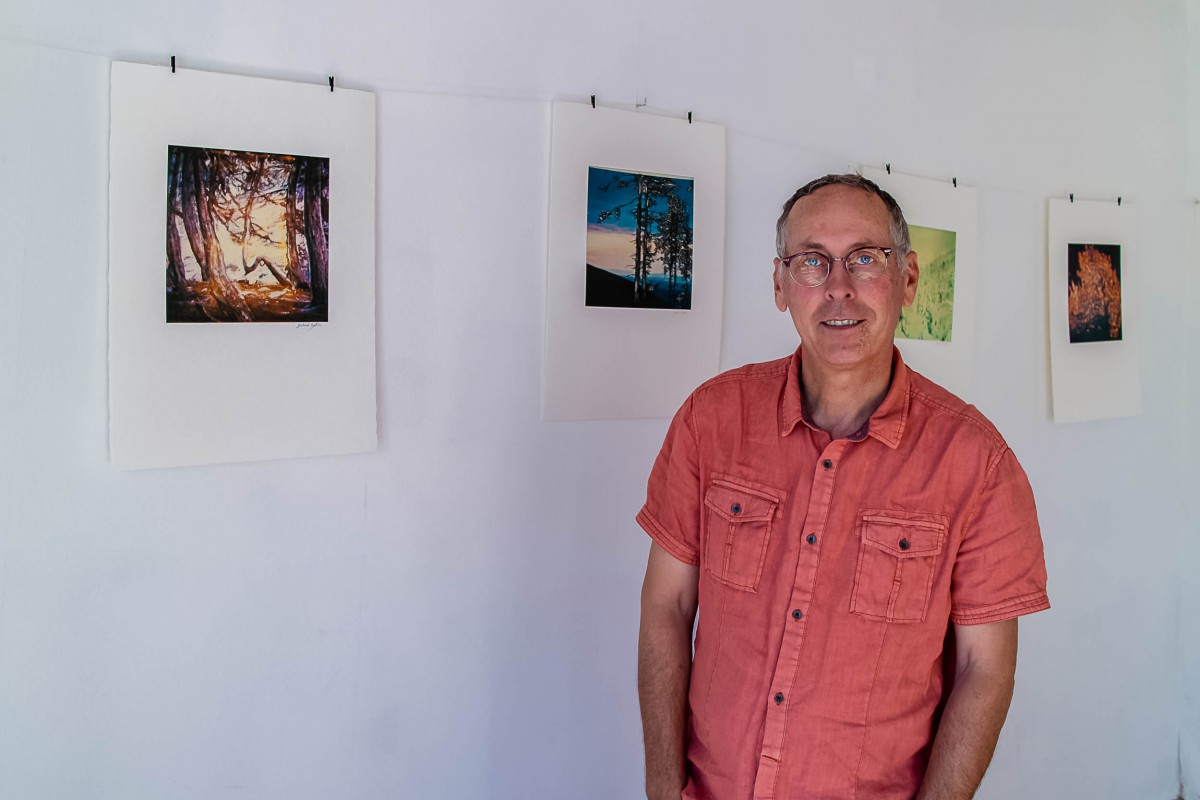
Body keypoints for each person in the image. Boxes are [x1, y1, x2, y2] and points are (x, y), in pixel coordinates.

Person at [636, 174, 1049, 800]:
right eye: (811, 261)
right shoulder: (710, 420)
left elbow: (983, 670)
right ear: (780, 284)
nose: (838, 288)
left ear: (907, 278)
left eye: (865, 258)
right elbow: (666, 607)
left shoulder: (978, 465)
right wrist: (664, 789)